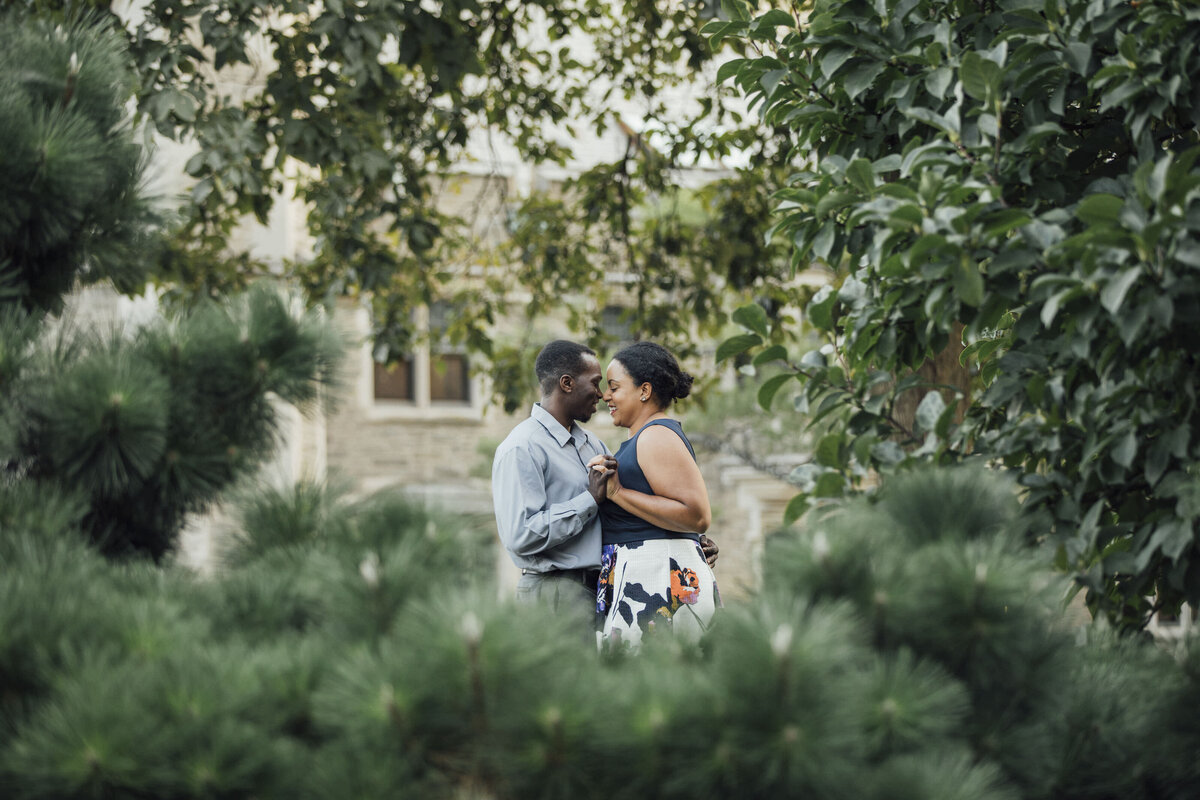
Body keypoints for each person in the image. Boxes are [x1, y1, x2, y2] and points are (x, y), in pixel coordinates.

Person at [492, 340, 717, 637]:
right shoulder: (522, 447)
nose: (602, 394)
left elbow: (631, 506)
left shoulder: (593, 445)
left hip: (602, 589)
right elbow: (521, 536)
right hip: (555, 592)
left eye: (611, 386)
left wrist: (684, 540)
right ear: (567, 383)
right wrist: (589, 500)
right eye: (598, 383)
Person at [587, 341, 721, 647]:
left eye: (614, 387)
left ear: (644, 391)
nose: (606, 396)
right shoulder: (645, 437)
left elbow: (697, 515)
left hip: (654, 580)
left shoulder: (655, 436)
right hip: (644, 575)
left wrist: (617, 492)